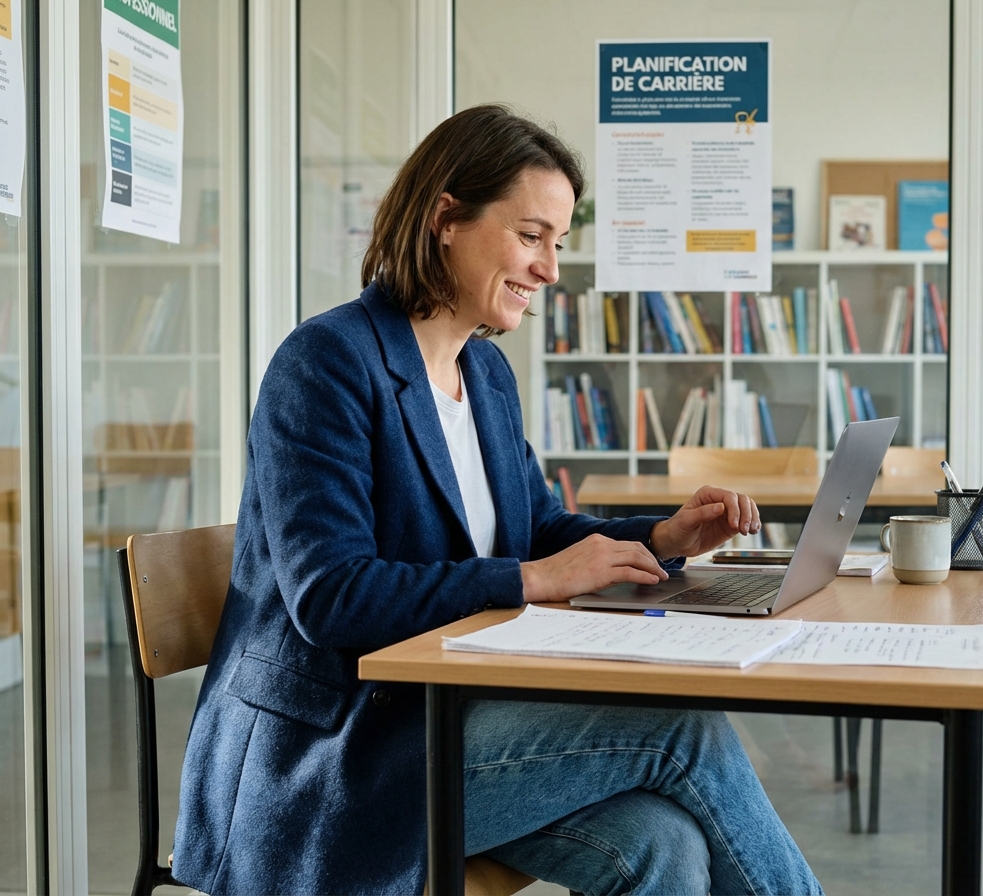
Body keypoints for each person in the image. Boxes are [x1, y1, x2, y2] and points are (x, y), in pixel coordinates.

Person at [172, 104, 823, 895]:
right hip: (338, 758)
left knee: (664, 845)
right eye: (531, 235)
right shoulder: (326, 364)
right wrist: (530, 580)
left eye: (558, 242)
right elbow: (331, 596)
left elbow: (535, 529)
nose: (550, 268)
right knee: (678, 725)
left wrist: (663, 534)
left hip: (451, 720)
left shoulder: (485, 376)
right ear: (447, 217)